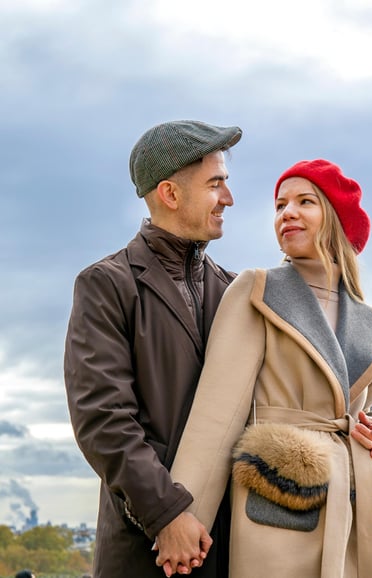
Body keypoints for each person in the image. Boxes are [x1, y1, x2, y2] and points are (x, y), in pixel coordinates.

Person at [157, 159, 372, 577]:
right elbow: (216, 416)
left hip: (356, 516)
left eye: (305, 201)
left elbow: (359, 414)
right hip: (280, 518)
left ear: (336, 218)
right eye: (280, 205)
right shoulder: (257, 290)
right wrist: (179, 517)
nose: (286, 213)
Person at [63, 119, 243, 578]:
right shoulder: (106, 285)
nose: (229, 198)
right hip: (146, 550)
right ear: (170, 193)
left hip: (229, 547)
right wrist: (165, 515)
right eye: (216, 184)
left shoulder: (237, 292)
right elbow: (102, 418)